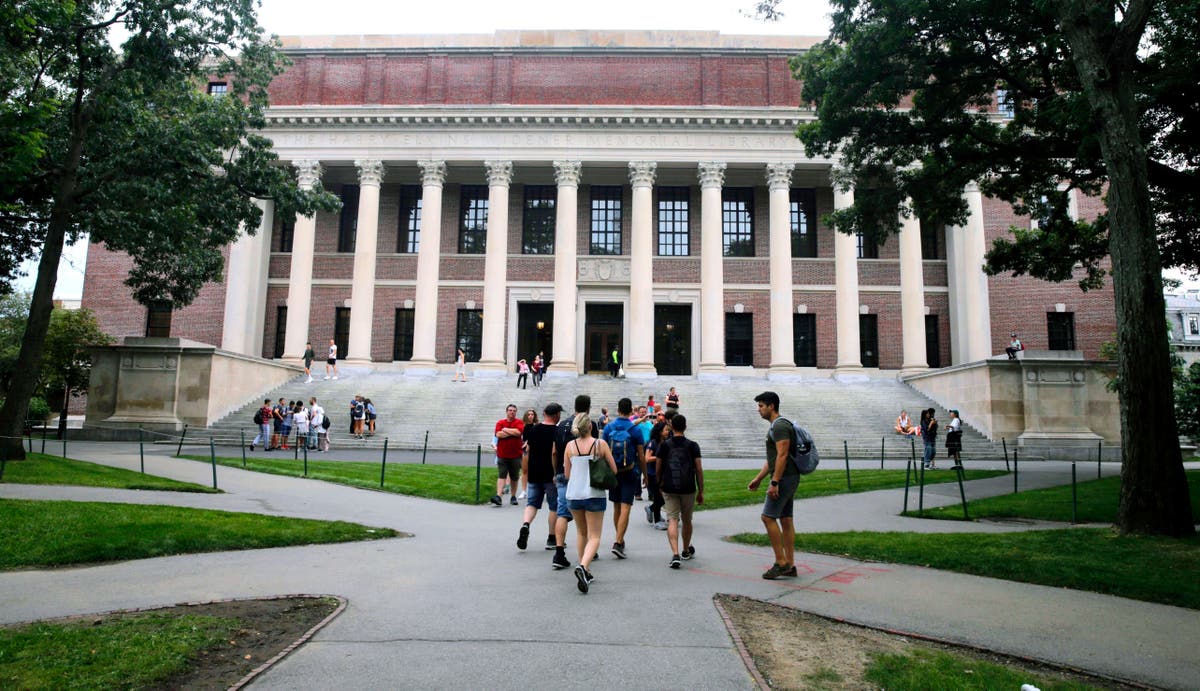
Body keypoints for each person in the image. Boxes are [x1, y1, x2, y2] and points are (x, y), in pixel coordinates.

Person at [748, 391, 800, 580]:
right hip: (787, 477)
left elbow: (783, 455)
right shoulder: (776, 426)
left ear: (771, 406)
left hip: (784, 478)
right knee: (785, 519)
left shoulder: (779, 427)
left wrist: (774, 482)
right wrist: (759, 478)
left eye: (761, 405)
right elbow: (773, 459)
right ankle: (791, 565)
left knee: (767, 517)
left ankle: (781, 562)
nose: (759, 409)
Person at [564, 411, 617, 593]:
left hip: (574, 494)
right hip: (594, 493)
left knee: (581, 533)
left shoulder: (570, 446)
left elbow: (567, 474)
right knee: (595, 536)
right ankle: (583, 566)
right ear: (591, 426)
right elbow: (614, 469)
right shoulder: (599, 444)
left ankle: (584, 568)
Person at [551, 394, 597, 570]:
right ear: (589, 407)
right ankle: (588, 548)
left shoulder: (562, 425)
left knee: (562, 512)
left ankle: (559, 551)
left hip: (564, 473)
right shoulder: (589, 424)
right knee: (586, 512)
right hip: (584, 475)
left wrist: (556, 472)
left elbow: (554, 452)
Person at [601, 397, 646, 559]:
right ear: (630, 411)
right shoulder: (635, 429)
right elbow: (641, 456)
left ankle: (619, 538)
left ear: (618, 409)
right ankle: (618, 541)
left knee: (616, 507)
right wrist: (645, 475)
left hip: (613, 472)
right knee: (626, 506)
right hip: (629, 471)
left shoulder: (609, 427)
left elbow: (603, 451)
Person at [656, 414, 703, 569]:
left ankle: (675, 553)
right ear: (685, 426)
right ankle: (685, 549)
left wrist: (659, 482)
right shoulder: (693, 445)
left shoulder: (665, 445)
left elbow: (658, 466)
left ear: (671, 427)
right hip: (688, 487)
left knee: (672, 520)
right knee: (687, 520)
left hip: (669, 486)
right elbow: (698, 469)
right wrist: (701, 490)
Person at [517, 402, 562, 552]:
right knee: (554, 506)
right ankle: (551, 537)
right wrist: (556, 472)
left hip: (534, 471)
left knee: (532, 503)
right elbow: (555, 452)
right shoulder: (557, 431)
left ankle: (526, 524)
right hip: (550, 473)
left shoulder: (534, 429)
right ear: (556, 415)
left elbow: (527, 449)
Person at [644, 410, 673, 530]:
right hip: (652, 474)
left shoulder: (666, 442)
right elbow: (647, 458)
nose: (668, 432)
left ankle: (651, 509)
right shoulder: (653, 443)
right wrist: (659, 457)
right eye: (666, 430)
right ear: (660, 432)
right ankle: (656, 520)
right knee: (659, 497)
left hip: (662, 473)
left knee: (663, 496)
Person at [491, 404, 525, 506]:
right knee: (502, 475)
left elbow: (518, 432)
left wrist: (505, 430)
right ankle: (498, 496)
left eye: (514, 410)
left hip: (515, 455)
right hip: (502, 454)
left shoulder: (519, 422)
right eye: (510, 410)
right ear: (506, 411)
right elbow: (498, 434)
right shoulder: (500, 422)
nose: (512, 412)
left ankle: (513, 496)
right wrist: (511, 432)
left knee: (514, 477)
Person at [519, 408, 537, 499]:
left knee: (534, 470)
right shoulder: (523, 427)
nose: (530, 416)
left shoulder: (537, 426)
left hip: (534, 451)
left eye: (532, 414)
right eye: (529, 414)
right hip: (525, 450)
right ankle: (523, 490)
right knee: (525, 470)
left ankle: (533, 490)